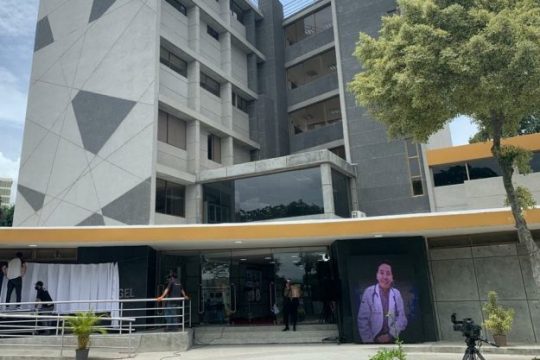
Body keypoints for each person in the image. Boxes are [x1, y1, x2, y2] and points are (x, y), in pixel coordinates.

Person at [357, 261, 407, 343]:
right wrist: (369, 341)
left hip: (392, 338)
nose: (385, 277)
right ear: (377, 275)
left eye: (388, 273)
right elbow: (362, 320)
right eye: (381, 273)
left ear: (392, 277)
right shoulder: (369, 292)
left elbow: (402, 318)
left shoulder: (396, 293)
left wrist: (391, 335)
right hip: (372, 339)